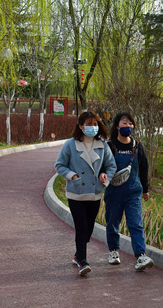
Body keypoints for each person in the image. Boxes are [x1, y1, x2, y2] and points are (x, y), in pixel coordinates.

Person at [55, 111, 116, 276]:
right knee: (81, 227)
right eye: (89, 124)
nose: (93, 127)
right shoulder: (70, 144)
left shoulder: (103, 145)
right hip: (76, 193)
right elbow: (60, 165)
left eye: (95, 124)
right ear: (81, 126)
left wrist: (105, 176)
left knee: (88, 228)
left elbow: (111, 166)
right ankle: (82, 261)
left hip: (95, 193)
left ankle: (77, 254)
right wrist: (72, 176)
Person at [104, 112, 154, 272]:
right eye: (124, 123)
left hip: (134, 191)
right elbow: (102, 167)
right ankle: (113, 251)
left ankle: (141, 255)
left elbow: (144, 168)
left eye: (131, 123)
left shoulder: (138, 146)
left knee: (136, 223)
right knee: (113, 222)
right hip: (114, 192)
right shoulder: (109, 146)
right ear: (117, 126)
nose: (128, 126)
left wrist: (145, 189)